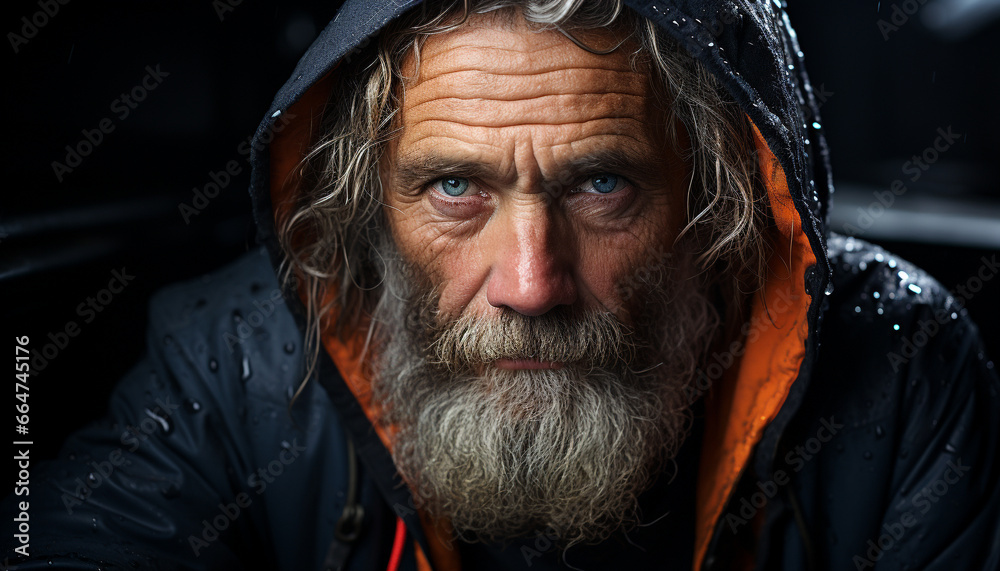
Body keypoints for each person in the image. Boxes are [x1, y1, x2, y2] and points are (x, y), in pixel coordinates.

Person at [4, 0, 999, 569]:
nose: (531, 282)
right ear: (367, 209)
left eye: (602, 184)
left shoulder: (902, 368)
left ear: (717, 201)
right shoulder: (232, 362)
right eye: (453, 187)